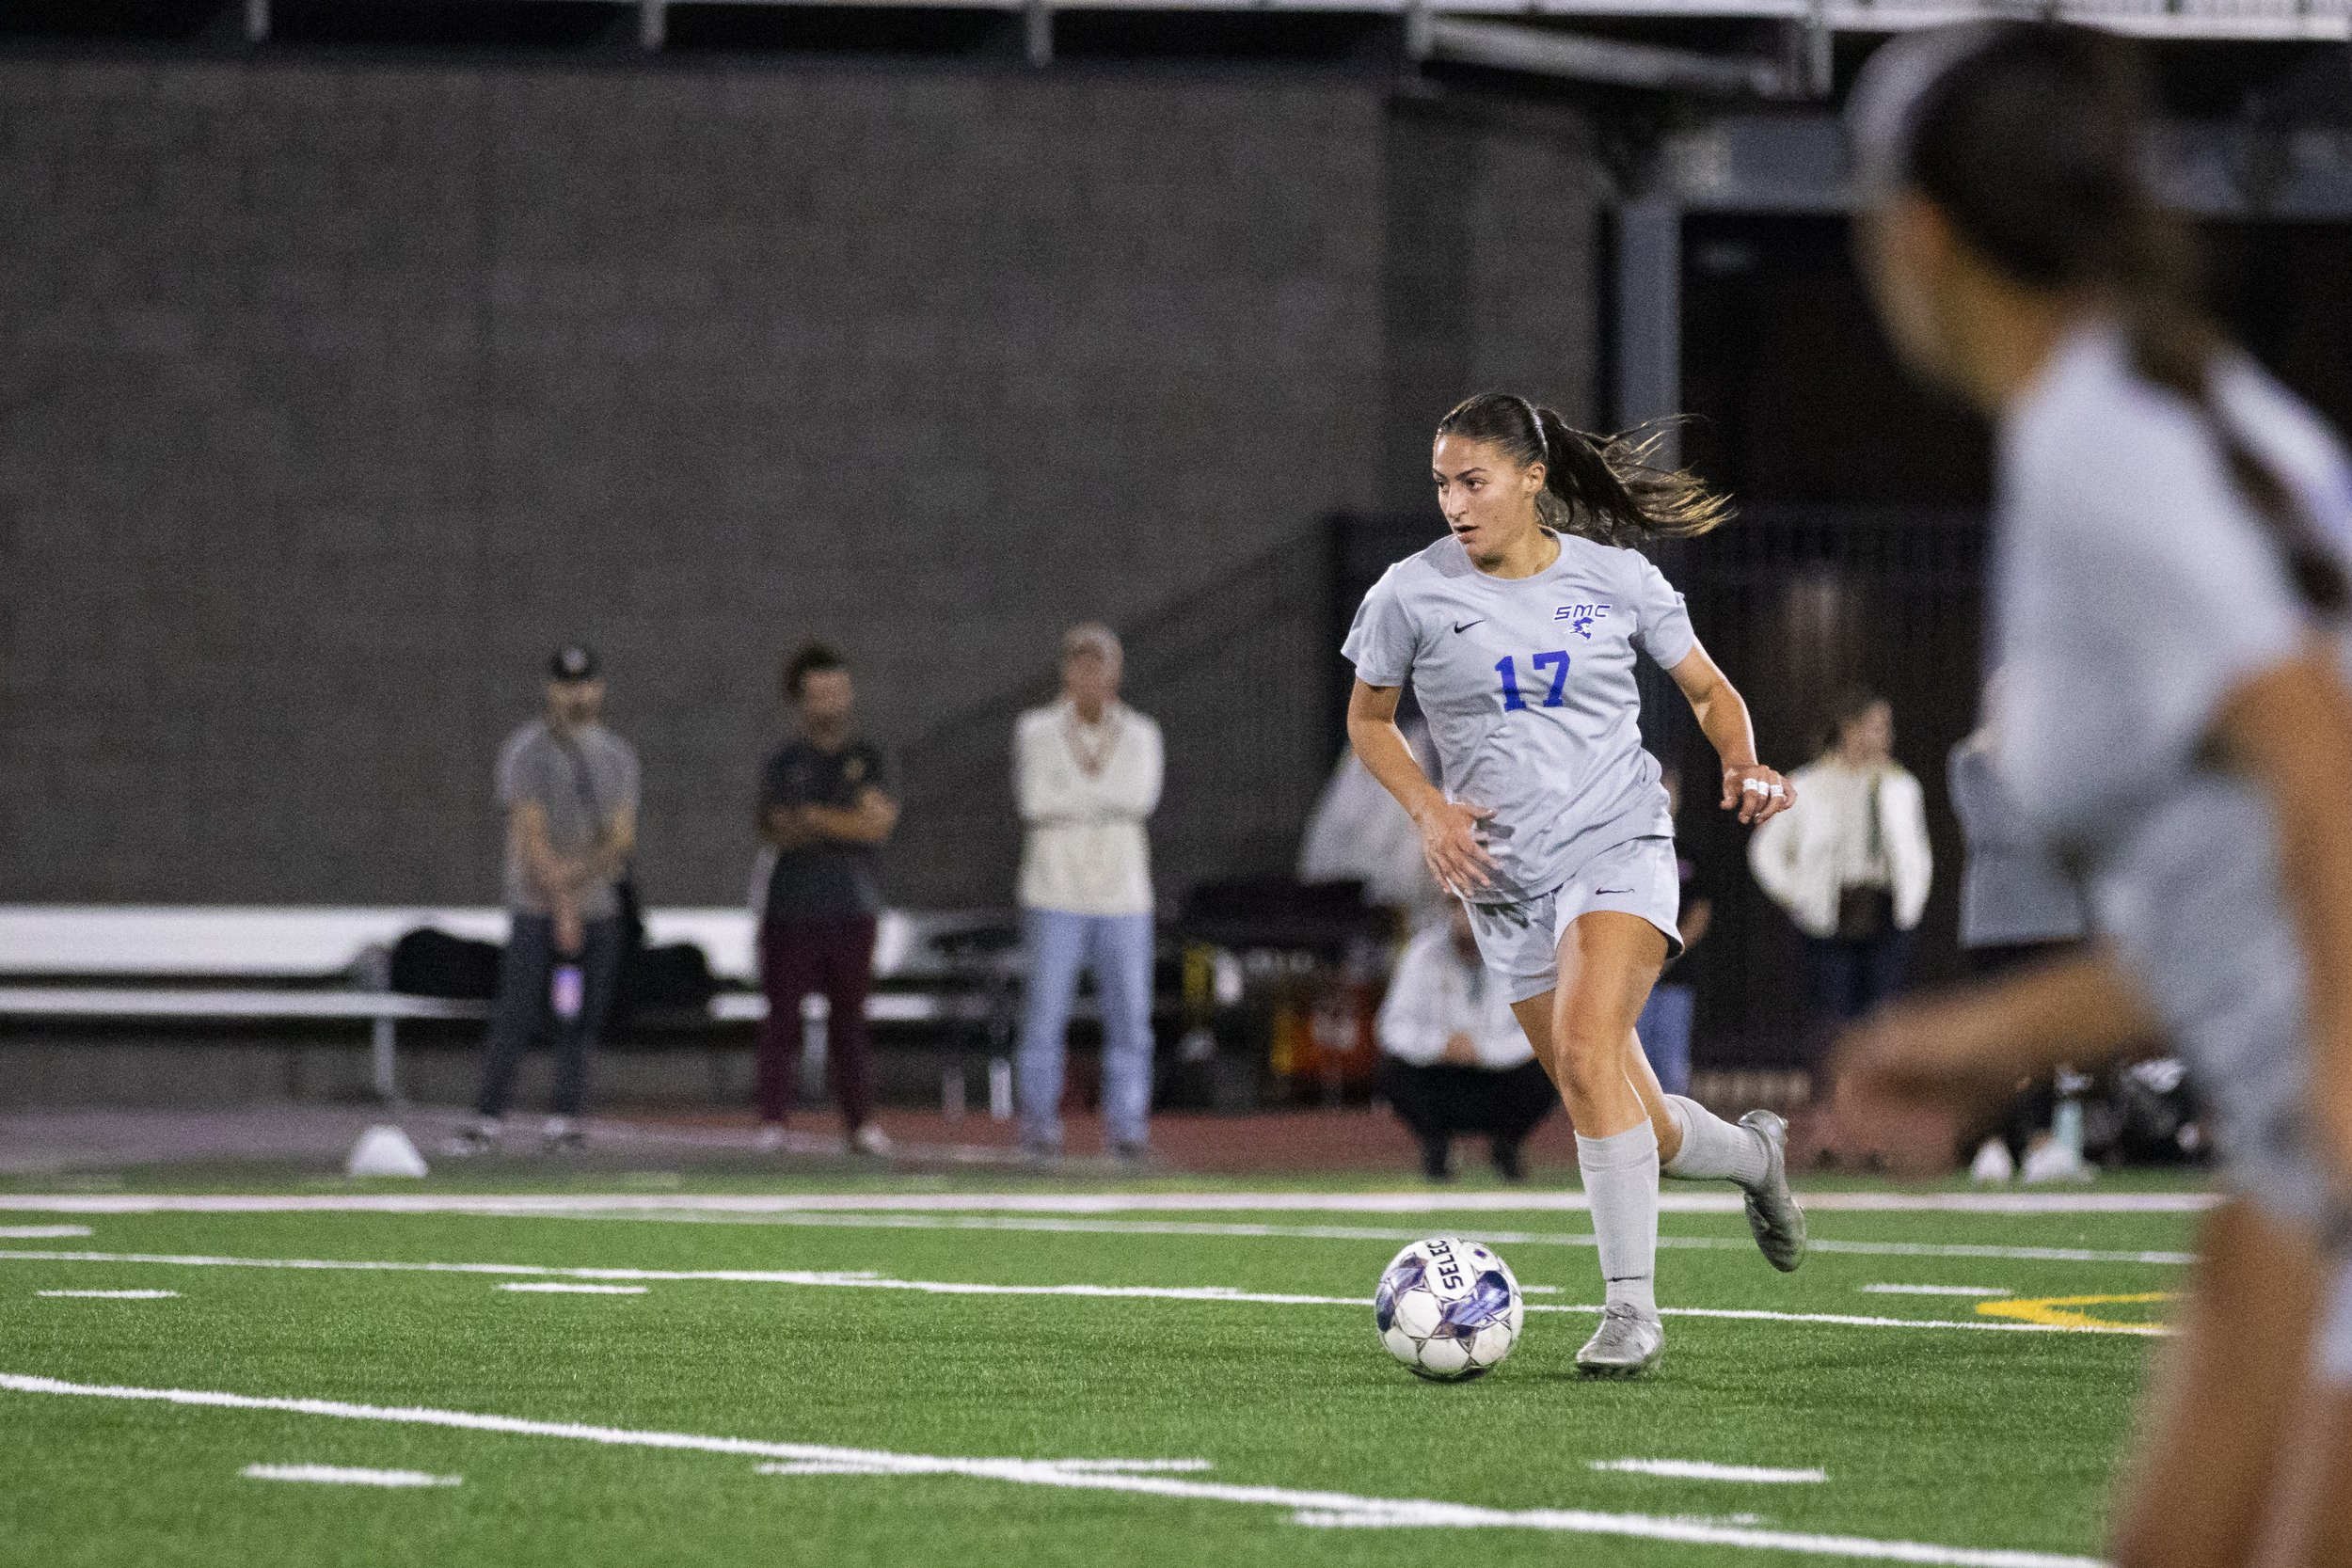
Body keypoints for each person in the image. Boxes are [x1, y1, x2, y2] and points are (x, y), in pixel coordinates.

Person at [1834, 24, 2352, 1565]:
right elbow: (2244, 889)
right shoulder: (2156, 418)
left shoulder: (2106, 450)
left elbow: (2319, 748)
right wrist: (1991, 1035)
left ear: (1915, 235)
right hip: (2295, 1153)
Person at [1343, 389, 1809, 1379]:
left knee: (1590, 1051)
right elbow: (1369, 722)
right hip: (1502, 880)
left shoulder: (1615, 578)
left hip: (1616, 840)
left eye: (1473, 481)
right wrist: (1429, 810)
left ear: (1530, 478)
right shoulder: (1408, 593)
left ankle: (1630, 1313)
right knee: (1629, 1114)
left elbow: (1708, 691)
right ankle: (1756, 1158)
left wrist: (1742, 758)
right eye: (1441, 484)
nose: (1454, 503)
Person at [449, 644, 639, 1156]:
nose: (575, 694)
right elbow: (530, 836)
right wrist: (562, 902)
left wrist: (577, 886)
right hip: (538, 911)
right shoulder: (527, 752)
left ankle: (565, 1118)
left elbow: (620, 837)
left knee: (576, 1012)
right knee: (517, 1010)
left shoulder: (617, 756)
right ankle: (488, 1119)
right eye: (564, 683)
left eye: (585, 683)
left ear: (599, 688)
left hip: (596, 914)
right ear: (549, 688)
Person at [1013, 624, 1165, 1163]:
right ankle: (1038, 1126)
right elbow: (1033, 801)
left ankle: (1128, 1127)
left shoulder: (1141, 732)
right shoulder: (1036, 729)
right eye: (1080, 664)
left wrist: (1073, 799)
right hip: (1054, 892)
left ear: (1116, 671)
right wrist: (1102, 801)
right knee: (1045, 1015)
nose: (1091, 676)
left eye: (1100, 664)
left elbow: (1141, 797)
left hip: (1124, 898)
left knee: (1130, 1020)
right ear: (1065, 671)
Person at [1748, 689, 1933, 1086]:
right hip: (1828, 916)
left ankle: (1876, 1123)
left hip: (1885, 912)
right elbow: (1766, 852)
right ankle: (1832, 1119)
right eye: (1876, 726)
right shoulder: (1806, 783)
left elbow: (1917, 850)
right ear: (1850, 729)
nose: (1886, 734)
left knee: (1879, 1022)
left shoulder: (1901, 785)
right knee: (1833, 1023)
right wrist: (1795, 895)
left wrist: (1913, 900)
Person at [755, 641, 898, 1158]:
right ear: (801, 701)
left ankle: (860, 1122)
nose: (830, 703)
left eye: (837, 691)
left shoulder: (867, 759)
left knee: (851, 1021)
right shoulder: (785, 762)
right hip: (791, 908)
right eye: (818, 695)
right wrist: (841, 821)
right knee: (782, 1017)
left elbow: (877, 825)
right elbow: (778, 828)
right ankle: (773, 1120)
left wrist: (817, 818)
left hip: (852, 908)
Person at [1376, 902, 1558, 1182]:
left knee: (1549, 1068)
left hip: (1500, 1077)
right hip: (1439, 1076)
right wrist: (1440, 1046)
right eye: (1461, 909)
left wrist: (1482, 1051)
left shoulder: (1518, 953)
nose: (1468, 918)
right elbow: (1392, 1027)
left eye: (1478, 908)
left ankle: (1507, 1144)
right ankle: (1436, 1145)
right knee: (1393, 1071)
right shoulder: (1422, 952)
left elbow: (1539, 1031)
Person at [1631, 765, 1712, 1099]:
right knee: (1635, 1066)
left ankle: (1675, 1146)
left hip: (1676, 975)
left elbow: (1701, 910)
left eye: (1670, 791)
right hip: (1633, 974)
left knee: (1672, 1068)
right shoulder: (1628, 849)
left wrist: (1670, 949)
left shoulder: (1689, 852)